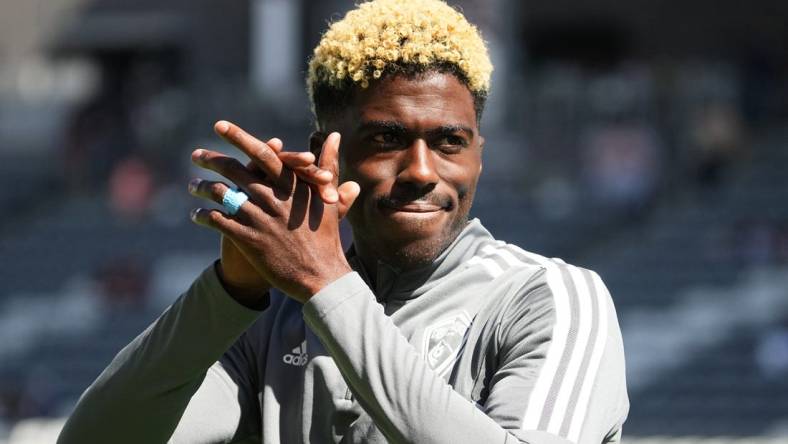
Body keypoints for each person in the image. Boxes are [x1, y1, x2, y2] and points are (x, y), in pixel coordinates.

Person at [58, 0, 628, 442]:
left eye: (450, 142)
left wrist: (328, 286)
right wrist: (231, 292)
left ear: (480, 153)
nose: (423, 171)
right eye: (387, 139)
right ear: (326, 153)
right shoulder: (269, 321)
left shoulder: (549, 297)